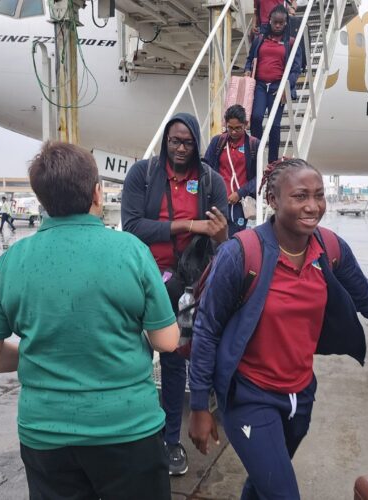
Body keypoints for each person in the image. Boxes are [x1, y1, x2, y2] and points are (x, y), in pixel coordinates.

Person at [187, 158, 368, 499]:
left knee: (263, 482)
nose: (312, 206)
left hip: (300, 395)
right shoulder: (242, 253)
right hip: (249, 396)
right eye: (300, 196)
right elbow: (207, 330)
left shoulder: (330, 248)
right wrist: (199, 406)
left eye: (319, 195)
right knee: (283, 493)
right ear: (273, 200)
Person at [0, 142, 179, 500]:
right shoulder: (131, 252)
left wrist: (42, 354)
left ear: (41, 200)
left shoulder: (13, 260)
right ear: (97, 194)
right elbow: (167, 341)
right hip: (127, 429)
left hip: (46, 434)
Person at [122, 112, 229, 476]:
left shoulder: (211, 180)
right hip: (145, 279)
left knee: (173, 360)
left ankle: (170, 441)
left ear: (198, 144)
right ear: (165, 141)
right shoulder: (144, 174)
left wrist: (217, 233)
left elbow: (221, 237)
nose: (180, 149)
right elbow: (132, 225)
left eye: (187, 143)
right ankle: (133, 436)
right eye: (174, 141)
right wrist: (187, 224)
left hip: (187, 284)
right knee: (133, 356)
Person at [245, 5, 302, 164]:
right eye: (275, 22)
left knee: (275, 126)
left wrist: (287, 84)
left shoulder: (290, 43)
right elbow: (250, 59)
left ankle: (272, 163)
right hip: (261, 85)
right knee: (256, 118)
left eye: (281, 23)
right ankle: (255, 154)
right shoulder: (260, 40)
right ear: (269, 21)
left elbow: (296, 69)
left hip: (278, 87)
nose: (277, 25)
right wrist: (247, 70)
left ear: (285, 23)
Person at [204, 105, 260, 236]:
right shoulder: (218, 142)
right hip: (219, 201)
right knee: (216, 240)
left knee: (237, 241)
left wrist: (240, 193)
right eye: (230, 128)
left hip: (241, 204)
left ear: (245, 124)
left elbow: (259, 177)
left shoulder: (253, 145)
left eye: (238, 128)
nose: (233, 132)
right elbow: (206, 167)